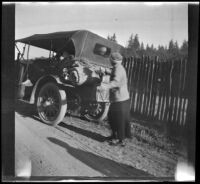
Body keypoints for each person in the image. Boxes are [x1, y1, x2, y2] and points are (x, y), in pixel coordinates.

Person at [100, 52, 132, 146]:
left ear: (113, 60)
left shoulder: (118, 69)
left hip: (120, 99)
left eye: (110, 59)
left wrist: (105, 86)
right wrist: (105, 70)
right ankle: (114, 136)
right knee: (112, 117)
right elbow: (113, 72)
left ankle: (120, 140)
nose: (109, 60)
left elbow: (116, 82)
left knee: (119, 120)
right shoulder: (118, 67)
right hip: (120, 98)